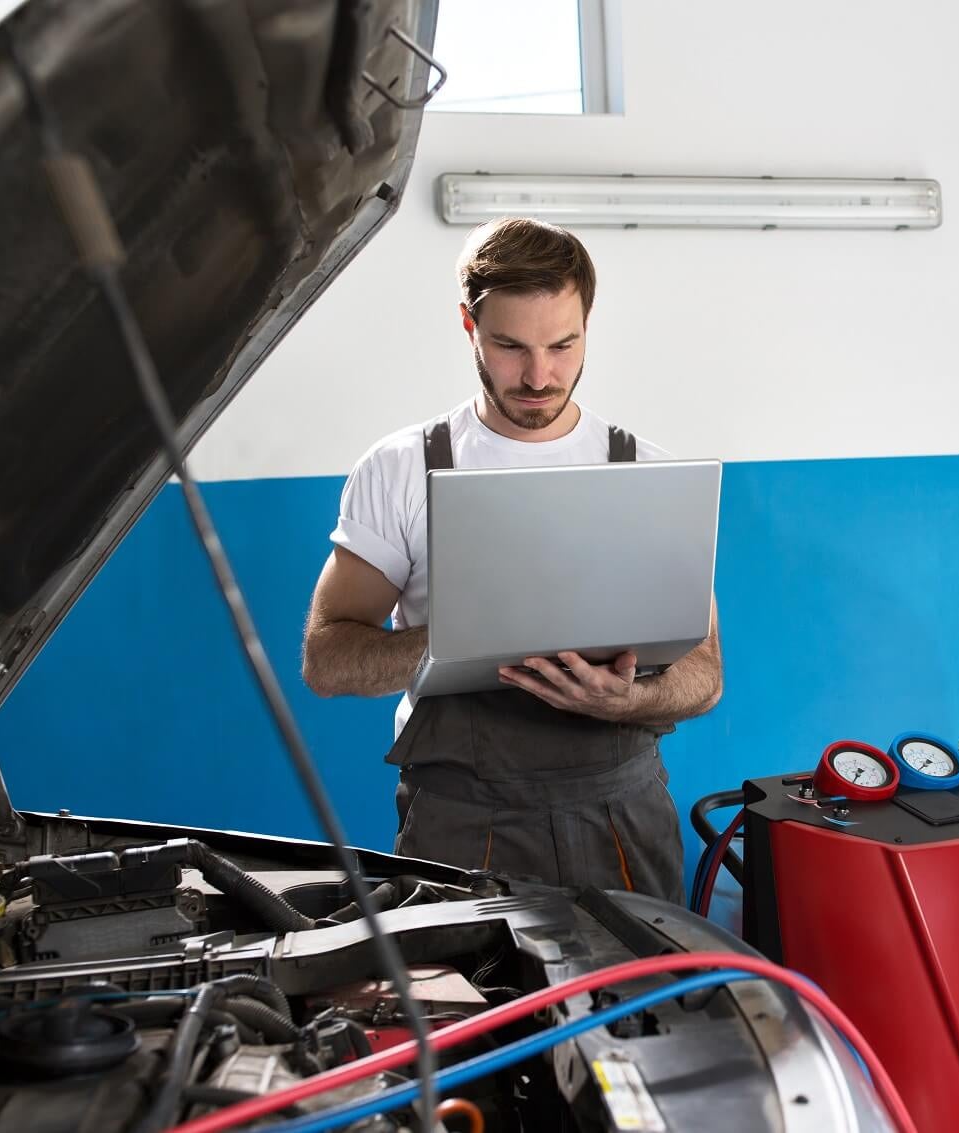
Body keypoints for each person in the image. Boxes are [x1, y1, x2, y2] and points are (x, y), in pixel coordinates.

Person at [302, 217, 722, 902]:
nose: (538, 374)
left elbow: (705, 674)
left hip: (622, 819)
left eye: (563, 344)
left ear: (589, 323)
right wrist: (458, 641)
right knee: (480, 1004)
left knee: (640, 1004)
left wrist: (633, 699)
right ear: (469, 327)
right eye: (509, 346)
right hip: (462, 824)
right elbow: (326, 659)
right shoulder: (401, 470)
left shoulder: (646, 474)